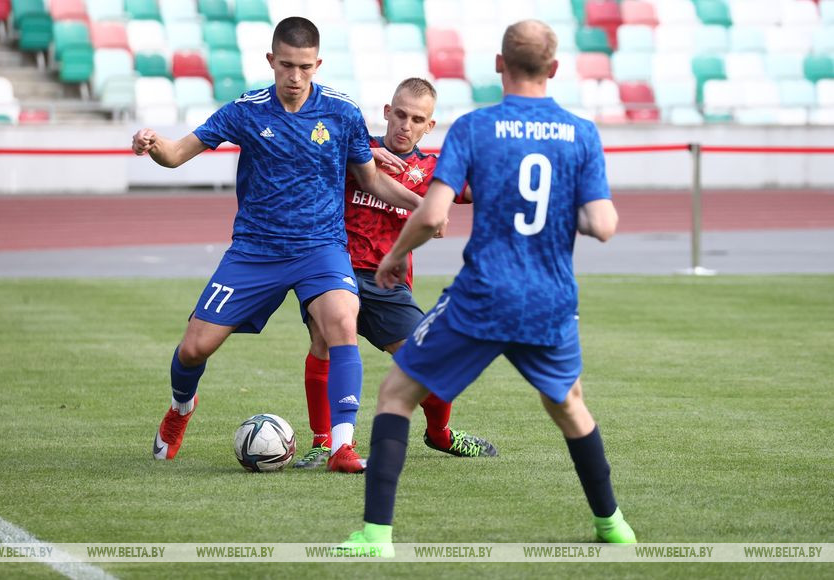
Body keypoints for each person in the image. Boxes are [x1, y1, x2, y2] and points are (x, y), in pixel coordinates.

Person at [340, 20, 636, 552]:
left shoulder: (475, 128)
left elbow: (433, 216)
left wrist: (395, 257)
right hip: (549, 299)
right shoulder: (581, 133)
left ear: (499, 64)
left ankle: (375, 536)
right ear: (554, 69)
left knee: (396, 394)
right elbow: (604, 225)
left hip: (482, 296)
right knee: (569, 405)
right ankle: (613, 525)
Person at [132, 17, 423, 473]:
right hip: (255, 250)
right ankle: (180, 408)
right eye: (286, 65)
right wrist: (152, 144)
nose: (295, 76)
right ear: (271, 60)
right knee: (194, 349)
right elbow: (175, 154)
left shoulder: (342, 112)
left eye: (305, 67)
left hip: (321, 248)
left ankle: (341, 448)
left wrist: (420, 205)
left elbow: (370, 179)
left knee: (342, 321)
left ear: (318, 65)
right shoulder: (246, 111)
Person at [293, 78, 498, 470]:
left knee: (430, 363)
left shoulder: (432, 170)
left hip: (387, 283)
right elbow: (308, 147)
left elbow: (480, 189)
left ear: (429, 126)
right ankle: (323, 443)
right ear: (387, 112)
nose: (406, 125)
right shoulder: (357, 150)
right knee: (323, 340)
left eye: (417, 119)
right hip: (334, 267)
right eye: (400, 114)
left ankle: (440, 434)